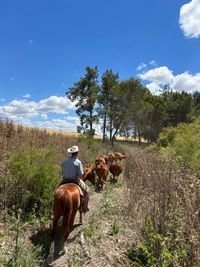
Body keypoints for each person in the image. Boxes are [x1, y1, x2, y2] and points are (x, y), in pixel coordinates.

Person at [59, 145, 89, 213]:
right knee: (87, 190)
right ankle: (85, 207)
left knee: (56, 191)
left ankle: (53, 210)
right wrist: (82, 180)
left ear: (71, 153)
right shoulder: (78, 162)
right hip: (74, 180)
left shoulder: (65, 161)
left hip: (65, 180)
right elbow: (81, 174)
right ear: (77, 152)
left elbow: (63, 172)